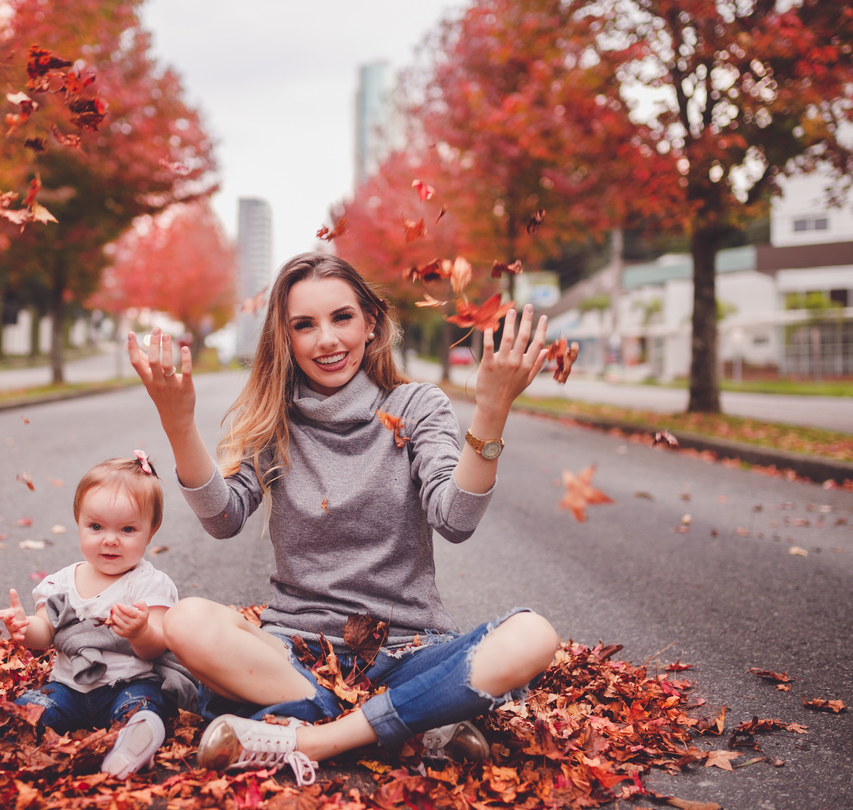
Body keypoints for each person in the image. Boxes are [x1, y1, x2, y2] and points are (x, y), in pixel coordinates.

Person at [127, 252, 561, 786]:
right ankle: (418, 717)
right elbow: (223, 518)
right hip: (292, 654)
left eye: (341, 317)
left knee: (532, 635)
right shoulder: (275, 419)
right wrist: (178, 423)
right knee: (186, 621)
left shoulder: (417, 406)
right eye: (304, 325)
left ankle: (314, 737)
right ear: (285, 339)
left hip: (409, 650)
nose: (327, 340)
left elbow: (455, 519)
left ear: (370, 321)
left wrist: (492, 411)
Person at [0, 454, 186, 779]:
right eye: (96, 527)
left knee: (144, 704)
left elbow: (157, 645)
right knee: (30, 708)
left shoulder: (149, 584)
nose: (110, 539)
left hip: (129, 684)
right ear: (79, 523)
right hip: (67, 690)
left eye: (127, 529)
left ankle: (133, 742)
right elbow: (45, 631)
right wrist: (24, 627)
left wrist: (140, 632)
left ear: (151, 532)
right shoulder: (63, 582)